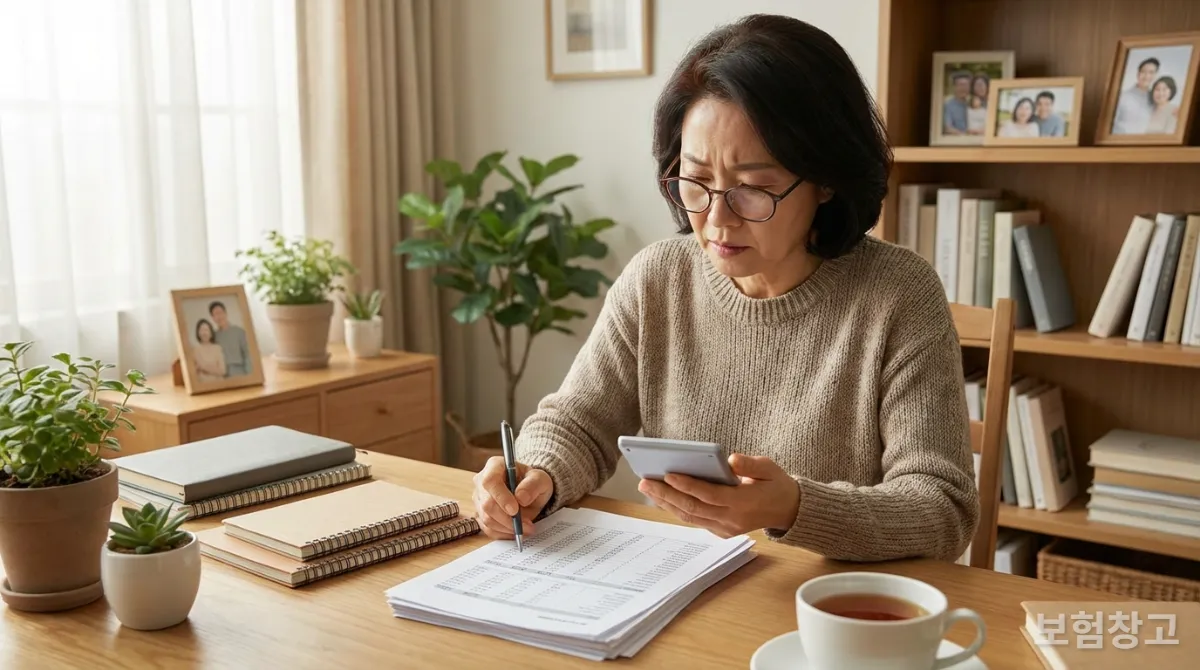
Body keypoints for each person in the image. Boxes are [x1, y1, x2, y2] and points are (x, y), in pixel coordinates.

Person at [470, 14, 979, 563]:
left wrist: (794, 507)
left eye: (754, 189)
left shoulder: (898, 295)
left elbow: (942, 509)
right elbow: (578, 422)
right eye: (696, 180)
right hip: (677, 593)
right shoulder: (658, 278)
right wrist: (535, 472)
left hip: (832, 612)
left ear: (828, 179)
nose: (715, 219)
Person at [1112, 56, 1159, 134]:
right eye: (1143, 72)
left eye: (1151, 72)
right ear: (1138, 74)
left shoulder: (1156, 100)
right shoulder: (1122, 97)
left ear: (1155, 76)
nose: (1147, 76)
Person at [209, 300, 250, 377]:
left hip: (239, 371)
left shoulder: (239, 331)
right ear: (213, 318)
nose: (219, 317)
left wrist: (249, 375)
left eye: (220, 313)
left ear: (225, 313)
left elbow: (247, 354)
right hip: (221, 375)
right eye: (215, 314)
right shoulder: (213, 337)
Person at [942, 70, 972, 135]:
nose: (964, 88)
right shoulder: (948, 105)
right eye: (961, 85)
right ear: (954, 87)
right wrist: (965, 136)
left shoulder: (973, 103)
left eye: (966, 85)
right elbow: (948, 128)